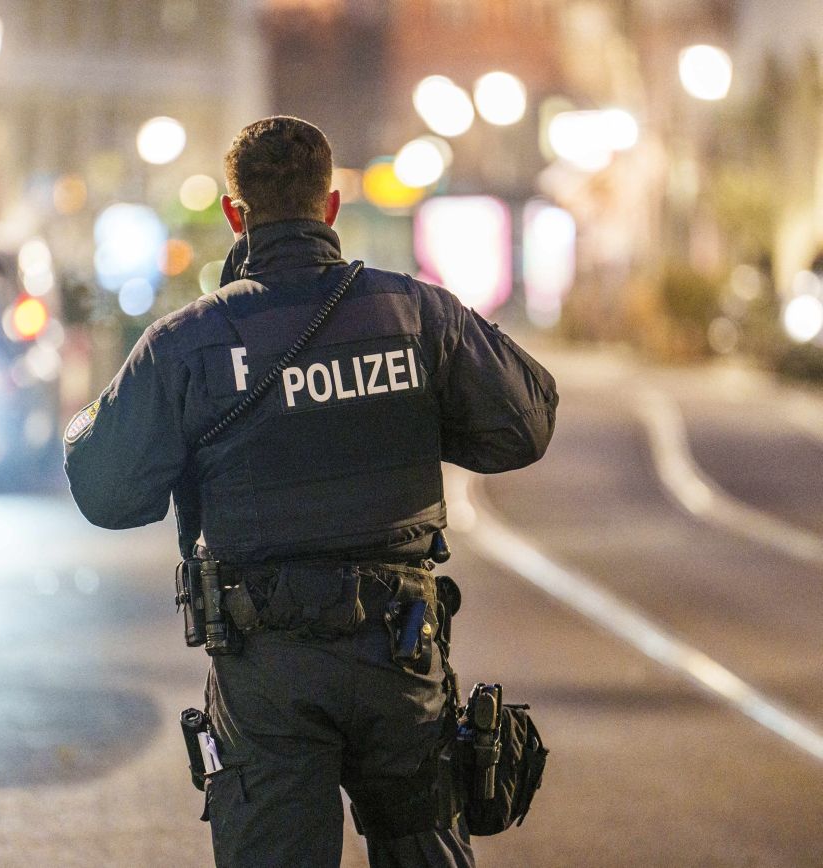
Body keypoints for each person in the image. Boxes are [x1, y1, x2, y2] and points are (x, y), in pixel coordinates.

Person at [64, 116, 557, 868]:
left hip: (266, 666)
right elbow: (525, 423)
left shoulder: (185, 343)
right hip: (401, 651)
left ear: (235, 215)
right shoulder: (415, 311)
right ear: (330, 206)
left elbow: (107, 492)